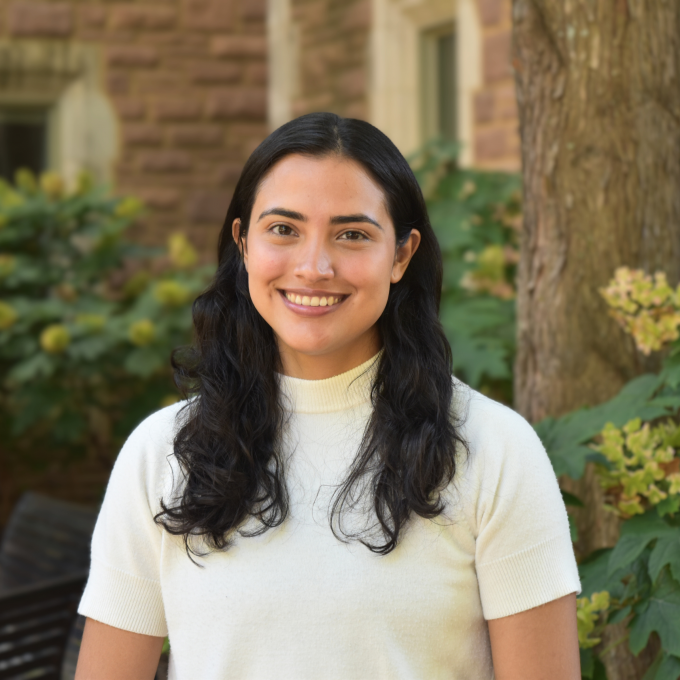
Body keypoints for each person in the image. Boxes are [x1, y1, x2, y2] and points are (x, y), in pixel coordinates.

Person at [75, 112, 581, 680]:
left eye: (352, 235)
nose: (314, 267)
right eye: (283, 229)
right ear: (243, 243)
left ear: (401, 255)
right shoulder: (162, 453)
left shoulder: (495, 450)